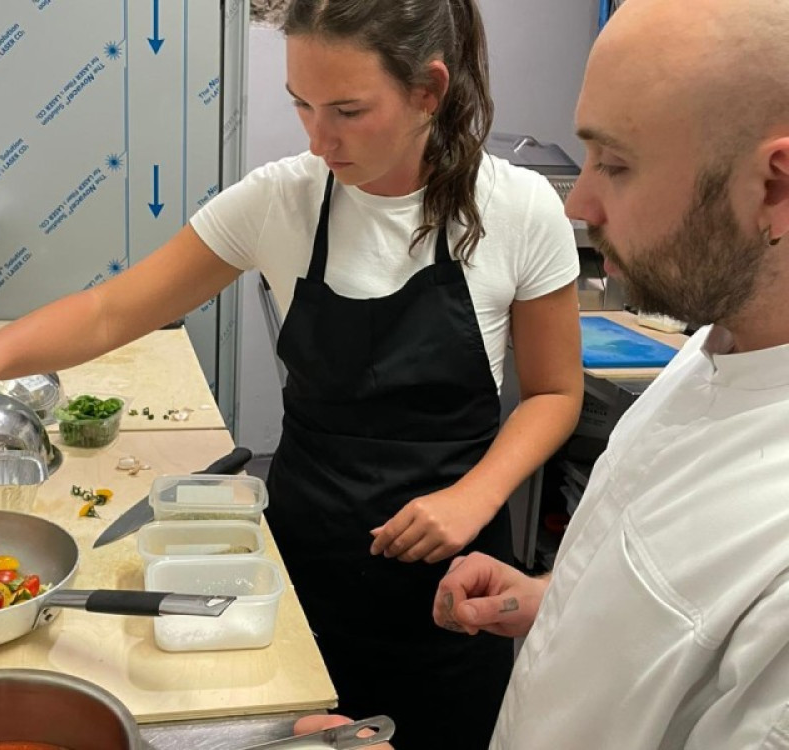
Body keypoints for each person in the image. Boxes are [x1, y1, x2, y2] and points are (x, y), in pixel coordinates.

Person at [0, 1, 583, 746]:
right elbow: (110, 311)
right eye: (302, 106)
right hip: (303, 568)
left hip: (456, 588)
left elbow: (554, 392)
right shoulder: (280, 200)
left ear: (428, 90)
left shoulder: (517, 208)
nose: (318, 139)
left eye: (347, 110)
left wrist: (475, 496)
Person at [299, 0, 789, 746]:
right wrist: (547, 596)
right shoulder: (714, 353)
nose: (581, 202)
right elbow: (674, 599)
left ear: (776, 187)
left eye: (616, 163)